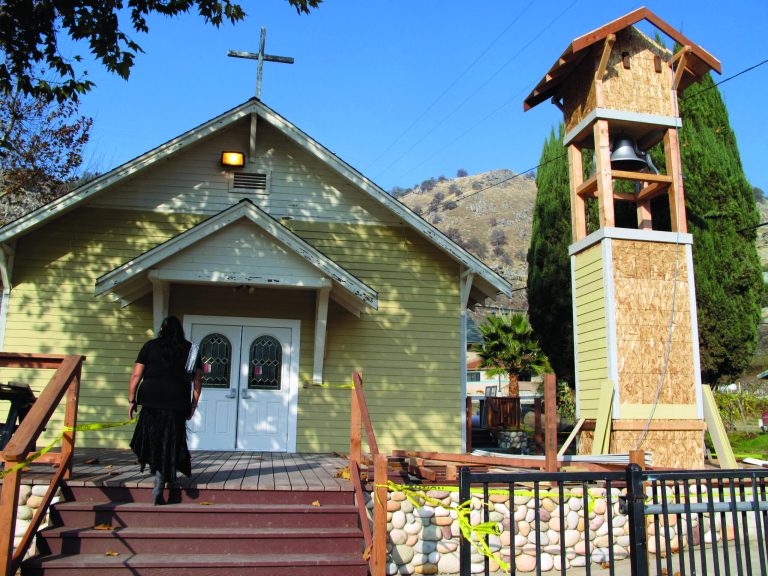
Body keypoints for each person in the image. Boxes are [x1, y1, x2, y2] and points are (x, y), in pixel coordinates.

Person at [127, 316, 202, 505]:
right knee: (171, 442)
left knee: (154, 440)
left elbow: (137, 374)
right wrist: (194, 404)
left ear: (161, 330)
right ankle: (164, 479)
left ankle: (159, 482)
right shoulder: (191, 350)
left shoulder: (150, 346)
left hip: (151, 399)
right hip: (176, 401)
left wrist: (131, 400)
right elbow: (197, 380)